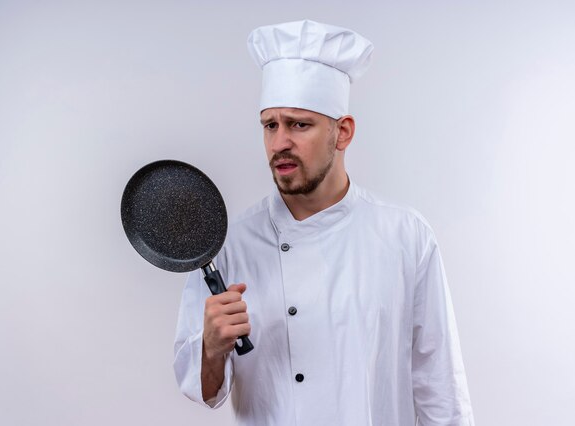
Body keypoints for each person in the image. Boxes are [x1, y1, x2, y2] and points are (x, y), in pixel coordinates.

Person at [173, 20, 474, 426]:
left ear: (343, 132)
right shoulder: (228, 244)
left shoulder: (405, 235)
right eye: (270, 125)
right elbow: (203, 389)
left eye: (299, 124)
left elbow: (438, 386)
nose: (280, 142)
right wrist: (210, 347)